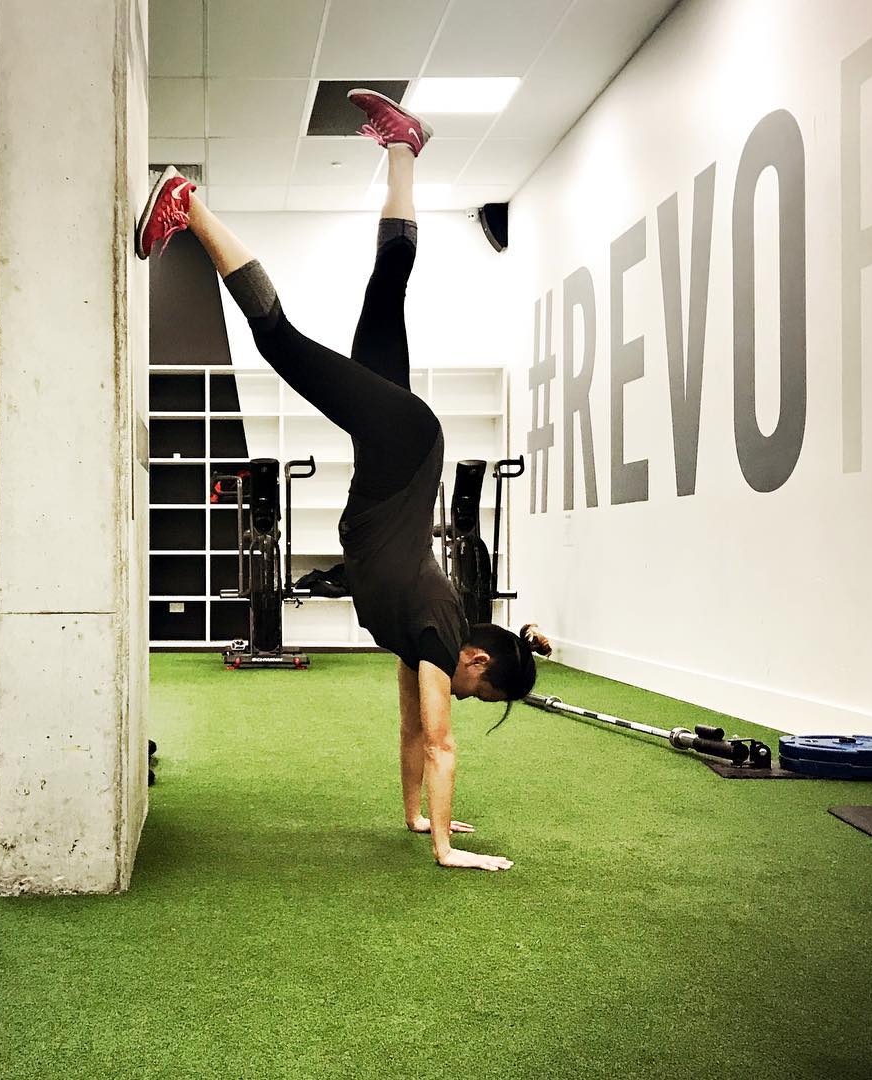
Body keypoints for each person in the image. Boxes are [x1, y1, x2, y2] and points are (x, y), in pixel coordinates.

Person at [137, 89, 550, 872]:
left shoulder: (424, 641)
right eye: (482, 695)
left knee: (384, 286)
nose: (466, 702)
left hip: (395, 451)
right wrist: (446, 853)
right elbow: (441, 746)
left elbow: (409, 732)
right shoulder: (436, 629)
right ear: (477, 665)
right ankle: (187, 207)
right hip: (398, 447)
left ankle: (403, 147)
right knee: (281, 341)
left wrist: (414, 820)